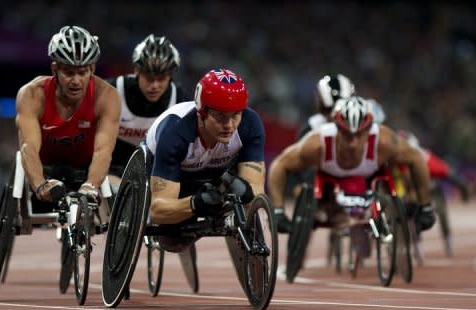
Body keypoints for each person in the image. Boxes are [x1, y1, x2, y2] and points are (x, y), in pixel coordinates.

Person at [268, 96, 436, 243]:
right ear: (336, 129)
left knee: (398, 169)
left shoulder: (384, 141)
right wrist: (278, 211)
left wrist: (425, 205)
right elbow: (280, 165)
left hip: (369, 180)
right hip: (330, 187)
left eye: (360, 135)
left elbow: (416, 159)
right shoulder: (317, 143)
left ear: (370, 130)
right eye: (347, 135)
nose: (353, 143)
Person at [145, 68, 266, 250]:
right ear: (202, 112)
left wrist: (245, 194)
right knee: (173, 243)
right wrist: (195, 203)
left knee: (244, 191)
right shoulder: (175, 134)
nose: (229, 125)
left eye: (235, 115)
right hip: (176, 176)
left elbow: (257, 193)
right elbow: (158, 211)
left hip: (217, 173)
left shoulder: (250, 123)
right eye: (220, 116)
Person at [15, 25, 121, 211]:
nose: (76, 81)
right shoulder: (32, 94)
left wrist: (91, 185)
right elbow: (28, 147)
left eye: (82, 72)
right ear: (55, 69)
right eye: (69, 73)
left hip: (85, 167)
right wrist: (40, 185)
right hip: (45, 168)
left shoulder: (106, 96)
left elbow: (103, 151)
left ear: (92, 69)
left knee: (111, 191)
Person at [107, 34, 192, 185]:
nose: (154, 85)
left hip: (154, 174)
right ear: (137, 71)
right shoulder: (113, 90)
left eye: (161, 79)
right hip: (112, 171)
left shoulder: (180, 99)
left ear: (170, 76)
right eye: (149, 77)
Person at [276, 73, 356, 233]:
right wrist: (300, 185)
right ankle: (324, 204)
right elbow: (295, 161)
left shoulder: (358, 125)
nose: (333, 116)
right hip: (318, 180)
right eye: (329, 110)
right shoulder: (311, 127)